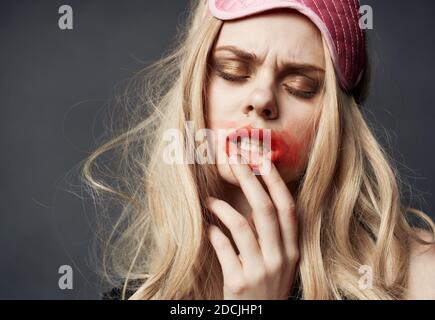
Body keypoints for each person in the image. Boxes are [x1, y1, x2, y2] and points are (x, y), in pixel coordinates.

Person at [83, 0, 435, 300]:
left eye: (301, 85)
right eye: (233, 70)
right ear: (195, 89)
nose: (262, 99)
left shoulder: (418, 276)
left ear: (333, 123)